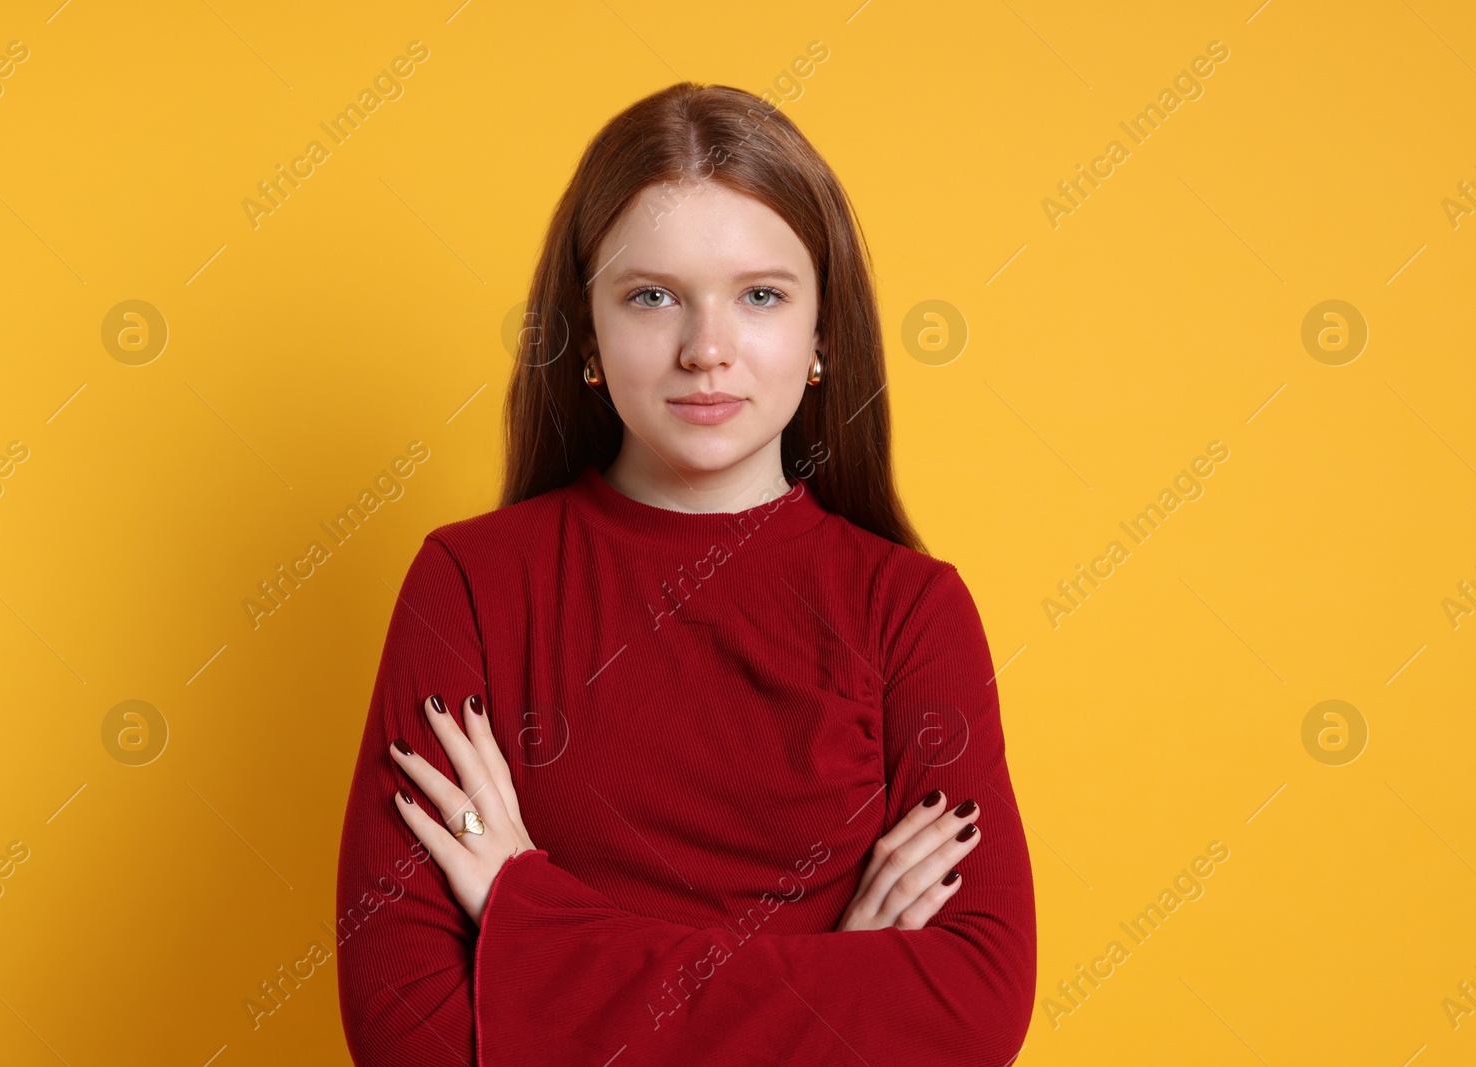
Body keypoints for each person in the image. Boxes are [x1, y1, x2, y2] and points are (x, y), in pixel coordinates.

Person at [335, 80, 1035, 1066]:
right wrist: (837, 987)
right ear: (585, 333)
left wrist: (527, 919)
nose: (706, 350)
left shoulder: (910, 610)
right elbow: (406, 1034)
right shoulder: (470, 586)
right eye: (651, 295)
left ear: (822, 333)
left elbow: (973, 1010)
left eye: (759, 294)